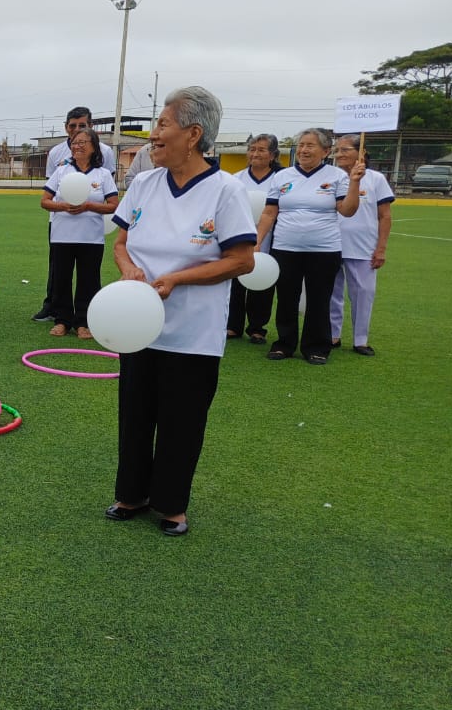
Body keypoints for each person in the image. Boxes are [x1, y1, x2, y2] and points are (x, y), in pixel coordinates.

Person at [109, 86, 256, 536]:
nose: (154, 135)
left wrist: (178, 279)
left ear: (193, 134)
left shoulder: (226, 191)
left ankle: (172, 506)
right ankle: (131, 494)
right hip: (137, 325)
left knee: (182, 421)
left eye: (162, 124)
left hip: (194, 332)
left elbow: (242, 261)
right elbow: (120, 243)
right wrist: (129, 269)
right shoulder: (145, 184)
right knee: (135, 415)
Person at [256, 128, 364, 365]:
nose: (304, 150)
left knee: (319, 299)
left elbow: (347, 210)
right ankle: (284, 344)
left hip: (324, 250)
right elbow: (269, 212)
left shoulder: (337, 176)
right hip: (285, 247)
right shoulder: (282, 177)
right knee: (286, 298)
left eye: (310, 145)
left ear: (325, 151)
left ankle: (316, 347)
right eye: (301, 145)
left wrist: (355, 183)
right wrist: (257, 241)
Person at [33, 106, 116, 323]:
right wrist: (62, 206)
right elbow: (45, 200)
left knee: (89, 279)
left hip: (91, 236)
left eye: (83, 142)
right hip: (62, 233)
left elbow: (113, 205)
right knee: (60, 277)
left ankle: (84, 321)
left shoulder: (103, 173)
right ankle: (62, 319)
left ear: (94, 146)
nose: (77, 145)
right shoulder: (62, 170)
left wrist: (88, 206)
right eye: (75, 142)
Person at [330, 134, 393, 356]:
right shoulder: (332, 177)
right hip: (330, 244)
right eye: (337, 150)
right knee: (331, 293)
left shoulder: (376, 179)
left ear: (362, 152)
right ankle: (332, 335)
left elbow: (385, 216)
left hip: (363, 247)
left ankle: (360, 340)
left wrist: (381, 248)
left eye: (345, 150)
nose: (339, 155)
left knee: (363, 294)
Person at [226, 133, 281, 342]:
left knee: (263, 280)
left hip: (271, 237)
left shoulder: (280, 179)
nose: (255, 154)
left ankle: (257, 327)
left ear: (273, 155)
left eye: (261, 150)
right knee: (235, 281)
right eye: (252, 149)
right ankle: (233, 325)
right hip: (239, 237)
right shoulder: (236, 179)